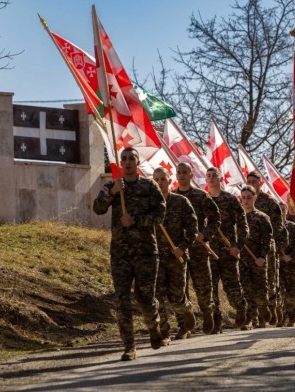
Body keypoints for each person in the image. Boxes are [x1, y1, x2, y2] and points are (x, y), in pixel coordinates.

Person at [92, 147, 166, 361]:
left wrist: (137, 220)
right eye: (123, 159)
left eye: (131, 158)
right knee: (122, 299)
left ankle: (154, 326)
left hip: (146, 252)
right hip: (120, 253)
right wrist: (113, 193)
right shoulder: (112, 186)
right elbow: (97, 208)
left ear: (137, 161)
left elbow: (160, 215)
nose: (127, 162)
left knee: (145, 298)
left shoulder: (149, 186)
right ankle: (129, 346)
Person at [172, 163, 220, 336]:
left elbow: (215, 219)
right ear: (176, 175)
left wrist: (205, 234)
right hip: (180, 249)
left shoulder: (201, 196)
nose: (182, 175)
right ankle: (184, 324)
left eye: (185, 172)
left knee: (203, 286)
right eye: (179, 172)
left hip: (198, 248)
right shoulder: (172, 197)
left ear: (191, 174)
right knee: (179, 287)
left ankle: (207, 312)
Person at [151, 167, 198, 345]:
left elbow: (193, 229)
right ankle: (164, 332)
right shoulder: (149, 205)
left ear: (170, 181)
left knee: (177, 297)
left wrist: (183, 247)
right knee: (158, 296)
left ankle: (186, 311)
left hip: (176, 257)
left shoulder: (181, 202)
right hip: (155, 257)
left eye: (162, 179)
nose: (159, 183)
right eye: (156, 180)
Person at [205, 166, 248, 330]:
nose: (211, 178)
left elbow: (243, 226)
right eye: (208, 176)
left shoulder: (230, 200)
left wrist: (238, 246)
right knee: (211, 287)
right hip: (209, 250)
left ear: (221, 178)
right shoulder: (204, 199)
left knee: (232, 288)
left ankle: (241, 307)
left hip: (228, 250)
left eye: (214, 175)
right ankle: (216, 322)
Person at [247, 171, 287, 325]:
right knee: (250, 281)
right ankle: (254, 316)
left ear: (260, 183)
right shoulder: (243, 200)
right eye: (248, 180)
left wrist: (265, 237)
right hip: (248, 248)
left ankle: (272, 307)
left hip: (267, 248)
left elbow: (278, 226)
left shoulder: (270, 203)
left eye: (254, 181)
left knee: (269, 281)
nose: (251, 183)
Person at [232, 185, 272, 329]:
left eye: (249, 198)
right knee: (246, 289)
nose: (246, 201)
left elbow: (268, 240)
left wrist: (262, 256)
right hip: (242, 259)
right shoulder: (237, 218)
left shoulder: (262, 217)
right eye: (243, 198)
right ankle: (250, 319)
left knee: (261, 290)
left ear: (254, 198)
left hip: (258, 259)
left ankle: (263, 310)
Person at [278, 202, 295, 326]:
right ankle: (288, 317)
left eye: (283, 209)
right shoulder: (273, 227)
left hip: (291, 263)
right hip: (278, 264)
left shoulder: (293, 226)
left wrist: (291, 256)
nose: (282, 211)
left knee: (293, 289)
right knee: (281, 290)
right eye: (279, 209)